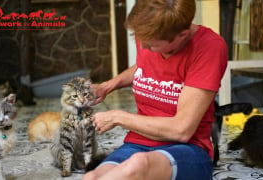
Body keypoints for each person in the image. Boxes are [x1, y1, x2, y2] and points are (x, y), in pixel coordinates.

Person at [83, 0, 227, 179]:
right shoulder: (149, 33)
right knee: (91, 177)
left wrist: (118, 117)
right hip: (138, 142)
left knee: (138, 165)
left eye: (153, 45)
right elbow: (145, 66)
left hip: (188, 149)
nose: (143, 48)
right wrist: (108, 86)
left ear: (182, 35)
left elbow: (181, 130)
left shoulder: (209, 47)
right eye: (139, 39)